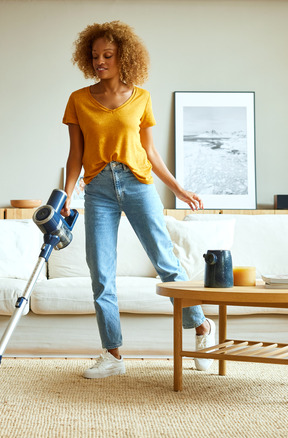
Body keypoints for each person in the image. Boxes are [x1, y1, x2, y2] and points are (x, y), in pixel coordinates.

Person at [61, 21, 216, 379]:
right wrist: (66, 197)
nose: (100, 62)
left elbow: (149, 151)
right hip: (97, 189)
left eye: (108, 55)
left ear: (123, 57)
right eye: (95, 56)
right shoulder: (78, 100)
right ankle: (112, 354)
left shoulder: (142, 97)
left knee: (166, 261)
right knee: (100, 272)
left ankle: (202, 328)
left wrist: (178, 189)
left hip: (138, 184)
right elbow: (74, 155)